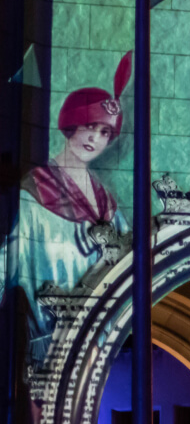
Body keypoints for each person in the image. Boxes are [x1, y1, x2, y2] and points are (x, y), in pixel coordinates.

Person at [10, 51, 131, 361]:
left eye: (105, 132)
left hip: (98, 348)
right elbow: (9, 260)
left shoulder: (108, 205)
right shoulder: (35, 192)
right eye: (90, 126)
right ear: (71, 124)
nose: (95, 138)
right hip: (48, 345)